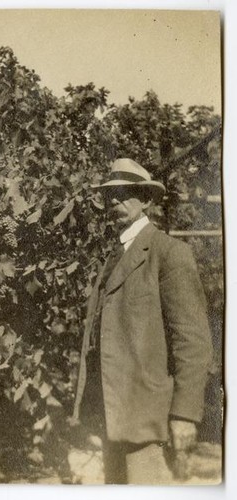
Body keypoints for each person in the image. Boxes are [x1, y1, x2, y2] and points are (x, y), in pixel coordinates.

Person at [71, 158, 213, 484]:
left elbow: (193, 341)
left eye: (126, 193)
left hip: (151, 420)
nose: (116, 202)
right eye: (110, 196)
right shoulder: (113, 256)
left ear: (146, 199)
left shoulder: (168, 253)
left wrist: (184, 415)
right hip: (114, 418)